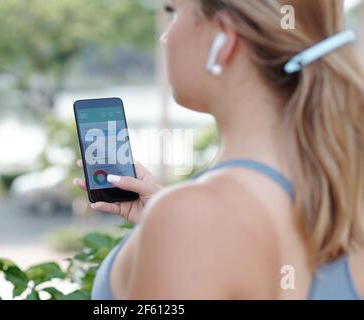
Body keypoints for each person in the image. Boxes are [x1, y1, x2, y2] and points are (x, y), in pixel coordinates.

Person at [73, 0, 364, 299]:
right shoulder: (348, 199)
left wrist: (177, 226)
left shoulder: (191, 219)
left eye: (174, 12)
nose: (165, 37)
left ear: (223, 38)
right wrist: (165, 236)